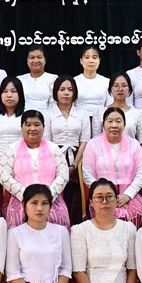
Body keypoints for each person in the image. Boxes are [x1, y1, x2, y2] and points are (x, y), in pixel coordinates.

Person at [0, 111, 71, 228]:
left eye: (37, 125)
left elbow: (63, 174)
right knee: (18, 219)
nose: (32, 129)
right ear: (21, 127)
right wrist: (27, 197)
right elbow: (4, 176)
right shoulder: (12, 149)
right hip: (21, 200)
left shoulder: (54, 148)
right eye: (28, 125)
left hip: (51, 199)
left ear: (44, 127)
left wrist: (47, 197)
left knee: (57, 217)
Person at [80, 108, 142, 226]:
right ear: (103, 124)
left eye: (118, 121)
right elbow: (87, 174)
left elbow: (140, 174)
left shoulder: (134, 144)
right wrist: (104, 194)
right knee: (108, 214)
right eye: (110, 121)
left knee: (135, 214)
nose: (114, 125)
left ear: (124, 124)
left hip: (128, 194)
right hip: (101, 196)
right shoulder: (93, 144)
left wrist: (127, 195)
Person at [48, 76, 90, 221]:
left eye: (70, 89)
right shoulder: (48, 113)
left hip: (77, 158)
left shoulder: (82, 113)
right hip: (54, 158)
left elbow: (84, 141)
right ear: (55, 92)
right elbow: (47, 141)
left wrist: (74, 165)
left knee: (76, 198)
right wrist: (60, 164)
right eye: (62, 89)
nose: (66, 93)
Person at [0, 76, 28, 214]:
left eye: (13, 91)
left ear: (20, 94)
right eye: (5, 91)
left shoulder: (26, 115)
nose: (9, 95)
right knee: (0, 200)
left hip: (22, 163)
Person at [74, 44, 110, 122]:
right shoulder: (74, 81)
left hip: (101, 120)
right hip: (79, 120)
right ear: (81, 61)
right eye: (87, 57)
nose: (91, 61)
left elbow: (109, 105)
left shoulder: (106, 82)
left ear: (99, 60)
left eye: (94, 57)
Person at [18, 45, 56, 116]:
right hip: (23, 118)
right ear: (27, 61)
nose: (35, 60)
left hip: (46, 117)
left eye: (39, 57)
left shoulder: (53, 79)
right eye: (32, 57)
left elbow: (54, 104)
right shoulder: (20, 79)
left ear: (45, 60)